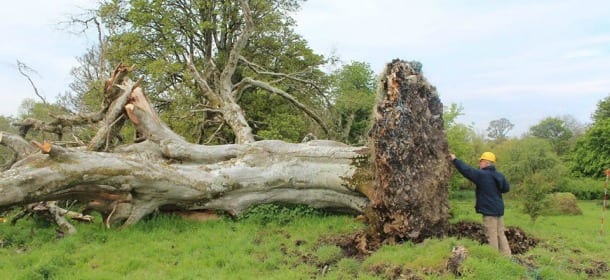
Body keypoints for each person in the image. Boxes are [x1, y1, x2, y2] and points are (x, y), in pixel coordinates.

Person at [450, 152, 512, 256]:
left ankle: (494, 257)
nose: (479, 163)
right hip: (499, 209)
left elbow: (467, 170)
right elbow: (506, 189)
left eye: (481, 161)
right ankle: (507, 256)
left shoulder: (482, 175)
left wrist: (455, 160)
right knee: (500, 233)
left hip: (489, 210)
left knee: (491, 234)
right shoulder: (499, 175)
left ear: (486, 162)